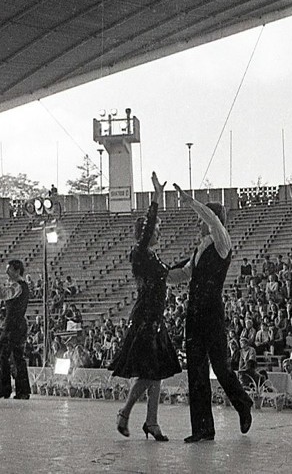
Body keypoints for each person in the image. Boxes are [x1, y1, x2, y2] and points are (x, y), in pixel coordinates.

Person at [168, 184, 252, 443]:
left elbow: (213, 220)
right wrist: (159, 275)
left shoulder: (222, 242)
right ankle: (203, 428)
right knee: (196, 370)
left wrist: (190, 201)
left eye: (201, 219)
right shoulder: (199, 249)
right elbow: (183, 274)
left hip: (212, 311)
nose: (199, 224)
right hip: (194, 312)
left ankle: (243, 403)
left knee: (220, 365)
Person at [109, 173, 181, 441]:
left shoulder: (154, 257)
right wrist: (156, 199)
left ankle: (151, 421)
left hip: (155, 318)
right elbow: (150, 225)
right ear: (144, 234)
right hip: (145, 318)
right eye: (155, 229)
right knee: (150, 372)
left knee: (157, 372)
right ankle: (126, 413)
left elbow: (171, 272)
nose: (159, 232)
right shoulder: (138, 254)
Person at [0, 258, 32, 400]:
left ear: (17, 270)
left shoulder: (18, 286)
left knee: (2, 356)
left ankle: (3, 390)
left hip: (13, 326)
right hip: (18, 324)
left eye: (9, 269)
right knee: (17, 357)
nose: (7, 271)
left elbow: (3, 295)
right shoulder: (20, 286)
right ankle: (22, 391)